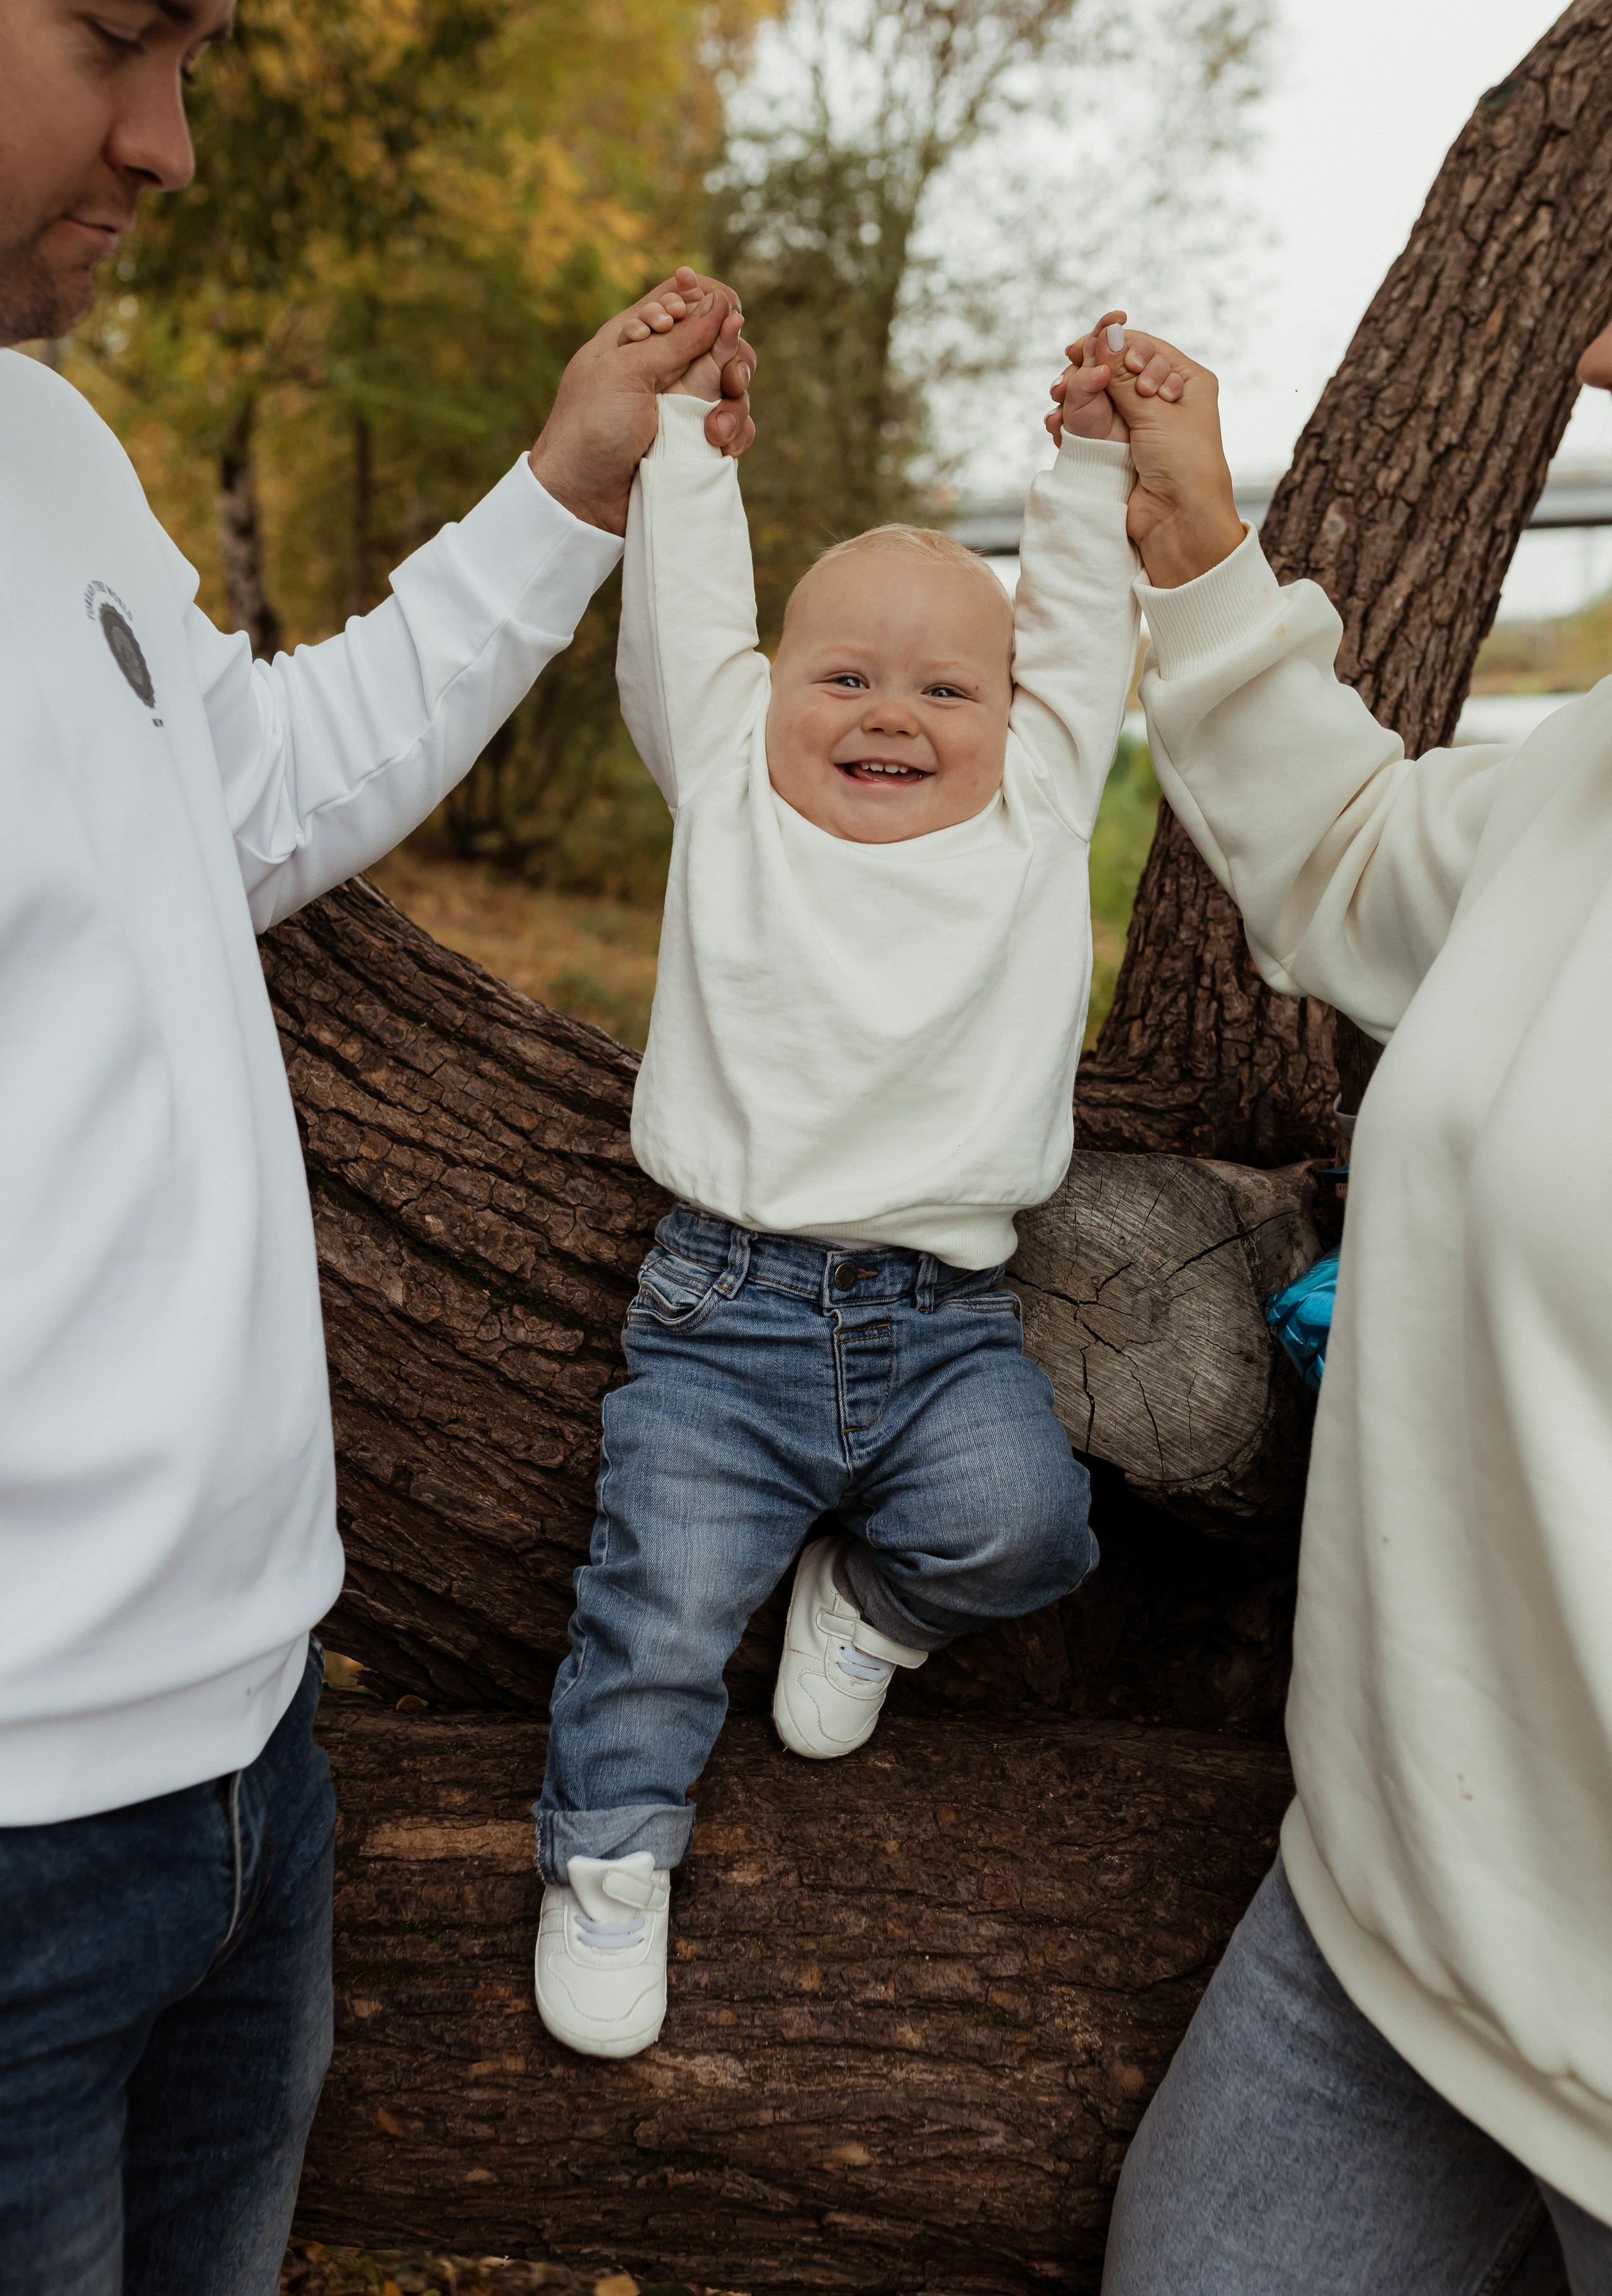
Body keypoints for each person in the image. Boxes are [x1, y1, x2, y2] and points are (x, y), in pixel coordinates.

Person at [0, 0, 756, 2282]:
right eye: (117, 38)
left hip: (249, 1766)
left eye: (201, 56)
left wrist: (570, 487)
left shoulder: (44, 449)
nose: (174, 141)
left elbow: (250, 793)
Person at [530, 309, 1191, 2063]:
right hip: (720, 1316)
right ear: (767, 695)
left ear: (1015, 720)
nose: (892, 710)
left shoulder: (1042, 805)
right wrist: (680, 446)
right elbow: (681, 628)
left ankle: (870, 1605)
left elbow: (1079, 622)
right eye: (846, 677)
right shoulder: (731, 791)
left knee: (1030, 1528)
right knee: (656, 1607)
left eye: (943, 688)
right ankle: (606, 1858)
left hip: (946, 1321)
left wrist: (1094, 458)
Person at [1052, 317, 1612, 2292]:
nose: (1597, 356)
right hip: (1381, 1927)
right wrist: (1201, 549)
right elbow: (1362, 859)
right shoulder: (1596, 774)